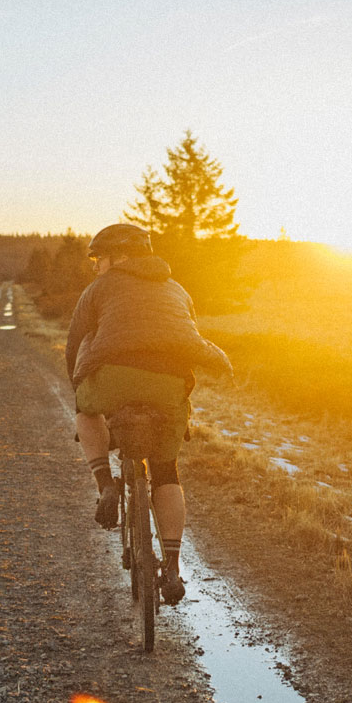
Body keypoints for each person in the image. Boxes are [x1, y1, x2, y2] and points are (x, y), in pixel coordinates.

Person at [67, 223, 231, 604]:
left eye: (99, 258)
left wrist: (79, 387)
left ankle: (106, 484)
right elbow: (186, 333)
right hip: (169, 385)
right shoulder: (177, 289)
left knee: (84, 410)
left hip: (113, 379)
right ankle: (172, 567)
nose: (95, 266)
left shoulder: (98, 290)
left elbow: (75, 342)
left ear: (120, 256)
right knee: (166, 470)